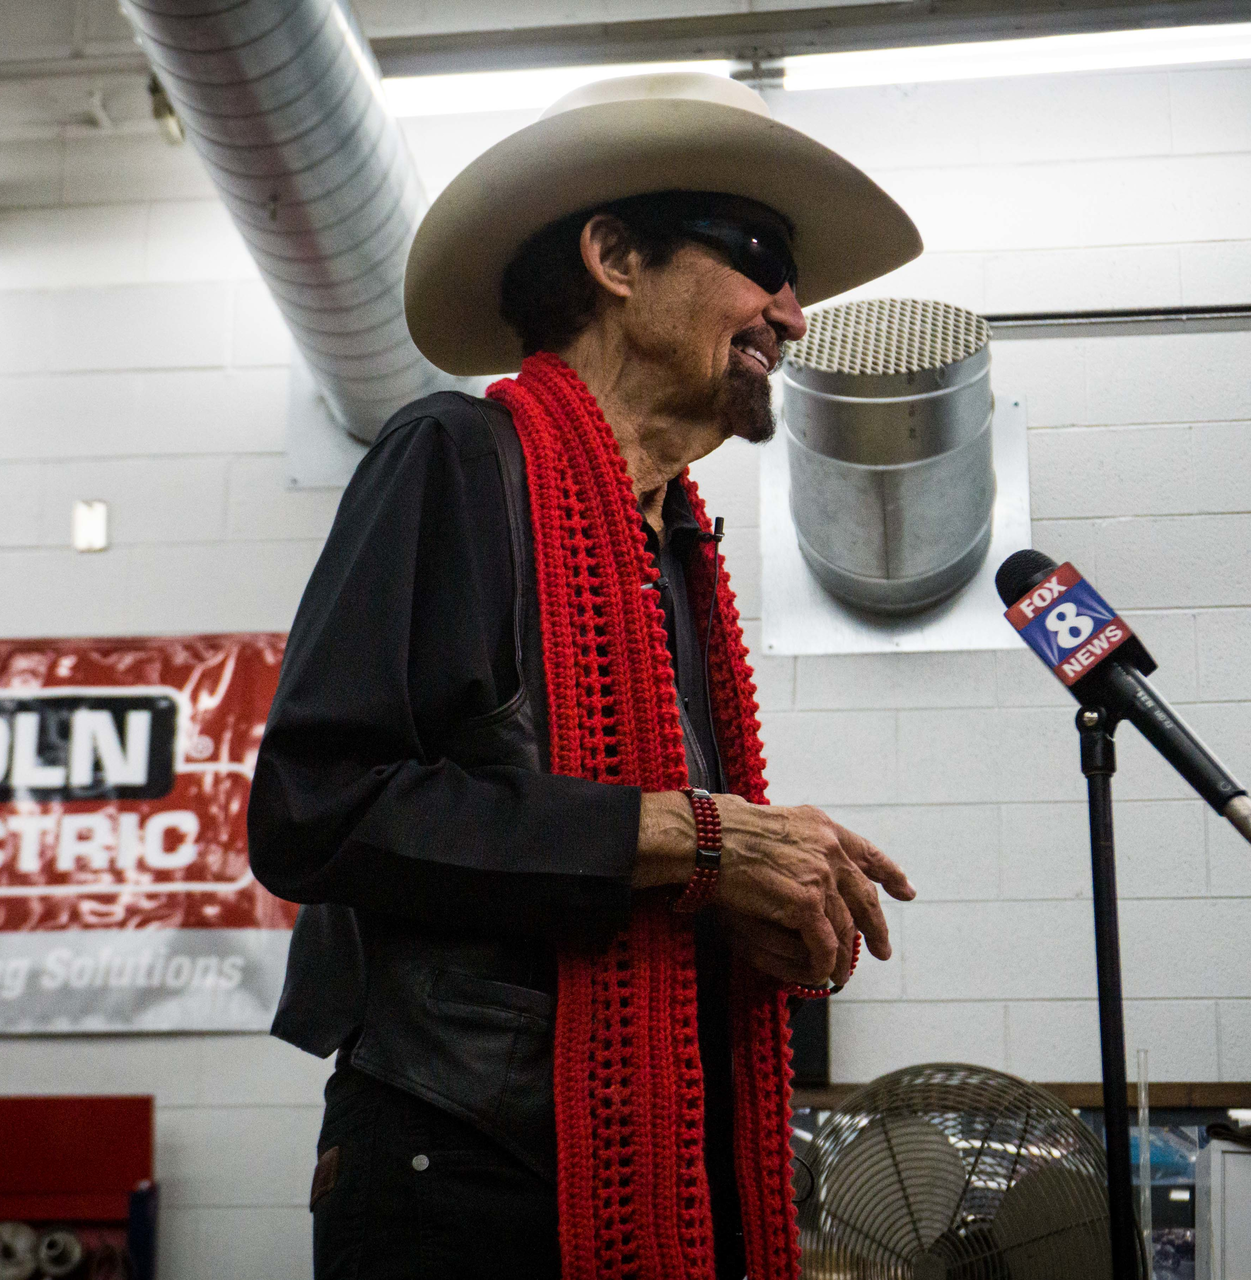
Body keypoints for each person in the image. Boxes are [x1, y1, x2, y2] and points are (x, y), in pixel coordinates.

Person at [249, 72, 924, 1280]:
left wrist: (745, 906)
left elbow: (625, 854)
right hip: (461, 1173)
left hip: (658, 1165)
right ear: (615, 255)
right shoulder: (456, 457)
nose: (796, 313)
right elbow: (315, 808)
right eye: (762, 257)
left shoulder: (674, 546)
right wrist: (697, 838)